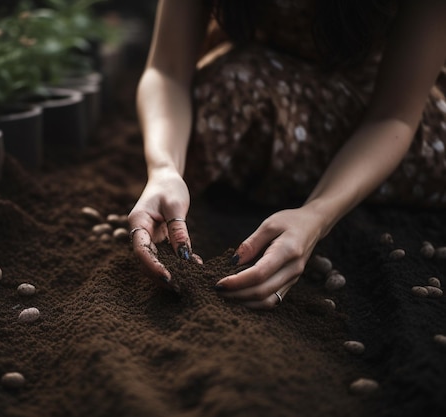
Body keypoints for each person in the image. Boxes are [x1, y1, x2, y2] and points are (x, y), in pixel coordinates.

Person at [127, 0, 446, 309]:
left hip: (378, 110)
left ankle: (330, 186)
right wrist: (165, 169)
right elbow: (167, 71)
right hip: (264, 76)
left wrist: (317, 215)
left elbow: (394, 116)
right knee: (214, 100)